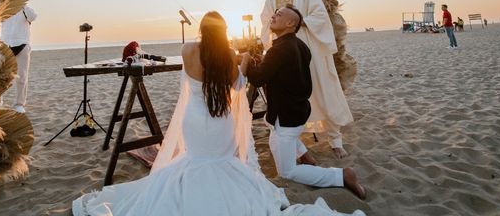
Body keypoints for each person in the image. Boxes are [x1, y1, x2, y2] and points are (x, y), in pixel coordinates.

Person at [72, 12, 366, 216]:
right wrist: (245, 61)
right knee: (223, 163)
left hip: (195, 120)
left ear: (201, 29)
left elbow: (187, 83)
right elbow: (238, 86)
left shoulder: (188, 49)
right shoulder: (227, 55)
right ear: (223, 31)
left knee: (194, 161)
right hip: (221, 120)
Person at [242, 5, 365, 197]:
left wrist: (247, 62)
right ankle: (306, 156)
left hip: (286, 117)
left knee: (287, 171)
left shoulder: (278, 50)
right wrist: (262, 63)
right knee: (278, 135)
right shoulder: (301, 46)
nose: (273, 16)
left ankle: (342, 176)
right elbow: (281, 74)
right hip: (298, 111)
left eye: (279, 14)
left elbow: (258, 79)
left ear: (291, 23)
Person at [260, 0, 353, 158]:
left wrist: (297, 23)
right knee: (291, 93)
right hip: (285, 52)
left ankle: (335, 140)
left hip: (310, 48)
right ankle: (295, 142)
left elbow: (320, 15)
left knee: (322, 89)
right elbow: (266, 20)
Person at [0, 5, 37, 113]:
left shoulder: (26, 8)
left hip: (22, 43)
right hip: (5, 44)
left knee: (22, 76)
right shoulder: (6, 7)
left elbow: (33, 17)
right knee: (1, 75)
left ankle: (19, 104)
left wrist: (23, 5)